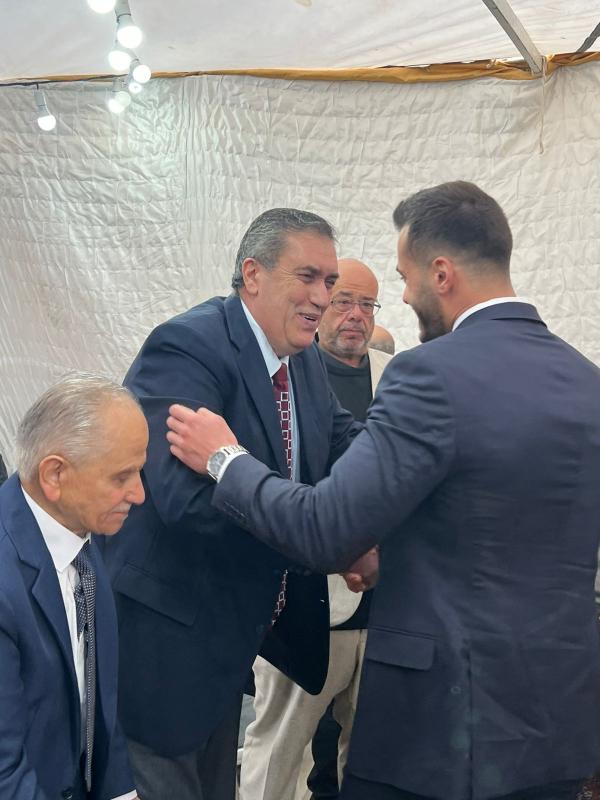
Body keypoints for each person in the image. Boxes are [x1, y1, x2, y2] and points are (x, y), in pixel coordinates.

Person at [166, 181, 600, 800]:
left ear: (441, 274)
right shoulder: (587, 382)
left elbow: (323, 530)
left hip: (443, 734)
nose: (404, 296)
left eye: (404, 277)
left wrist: (225, 459)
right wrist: (389, 549)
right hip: (559, 723)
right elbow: (492, 528)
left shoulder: (431, 373)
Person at [102, 208, 363, 800]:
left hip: (228, 643)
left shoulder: (302, 361)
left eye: (329, 281)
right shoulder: (188, 346)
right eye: (308, 277)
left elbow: (346, 446)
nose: (323, 297)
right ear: (253, 274)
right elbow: (184, 500)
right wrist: (315, 534)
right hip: (166, 648)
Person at [240, 258, 391, 800]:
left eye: (367, 304)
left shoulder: (400, 376)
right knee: (279, 753)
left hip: (387, 611)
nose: (355, 314)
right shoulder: (287, 375)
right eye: (344, 300)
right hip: (308, 601)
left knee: (375, 759)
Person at [0, 374, 147, 800]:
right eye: (121, 477)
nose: (139, 494)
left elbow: (99, 705)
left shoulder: (79, 537)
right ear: (55, 474)